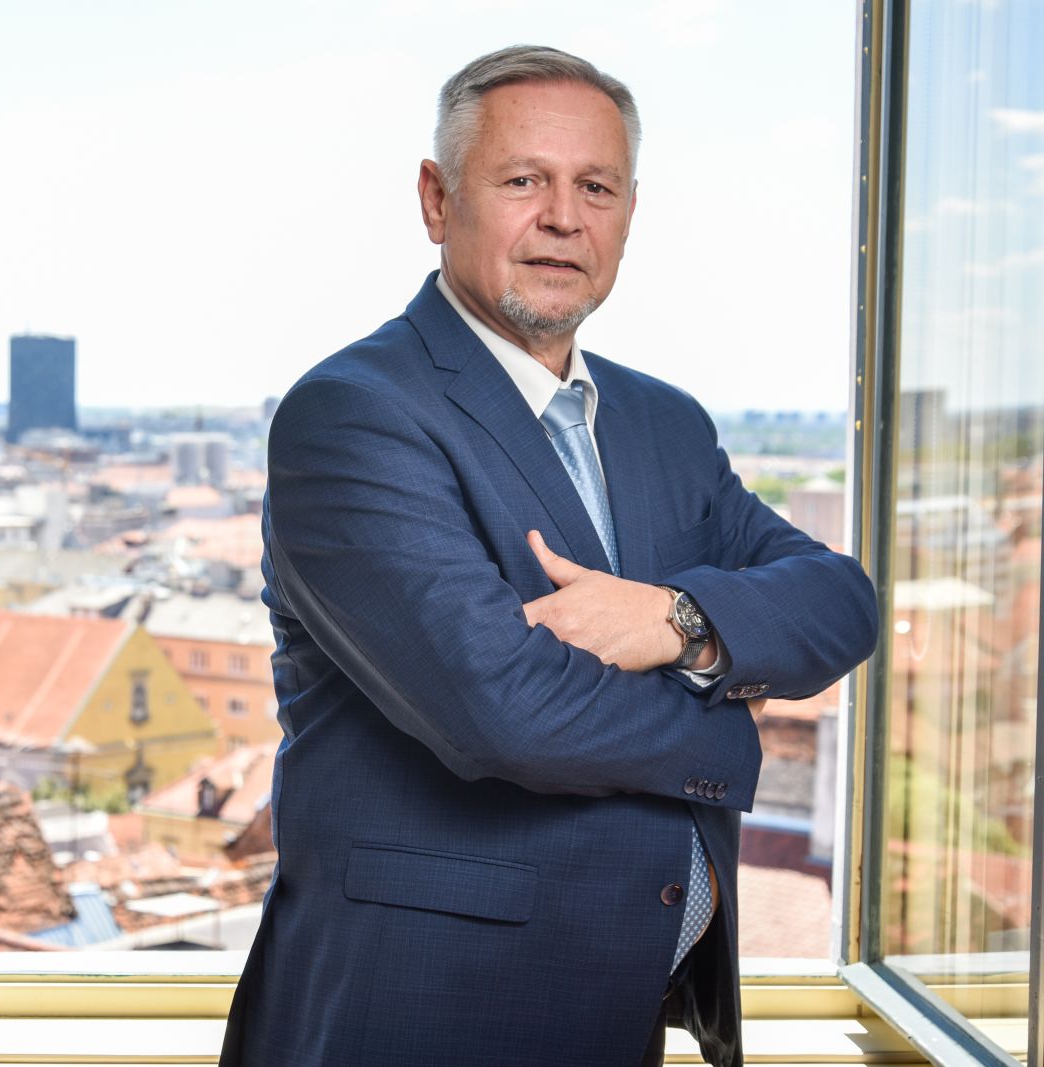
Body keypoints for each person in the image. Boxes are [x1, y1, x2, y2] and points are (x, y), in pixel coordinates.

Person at [218, 45, 878, 1067]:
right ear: (437, 200)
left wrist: (678, 622)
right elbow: (503, 712)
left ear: (626, 214)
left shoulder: (663, 423)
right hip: (415, 1016)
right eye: (523, 180)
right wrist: (732, 715)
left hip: (623, 1013)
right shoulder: (354, 415)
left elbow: (838, 601)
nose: (563, 217)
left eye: (596, 187)